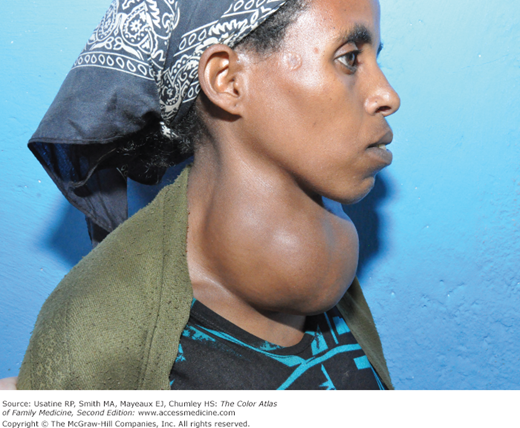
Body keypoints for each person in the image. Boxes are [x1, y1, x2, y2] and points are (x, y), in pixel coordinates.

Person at [5, 0, 400, 390]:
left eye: (374, 59)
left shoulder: (324, 263)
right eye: (349, 59)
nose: (387, 95)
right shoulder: (103, 329)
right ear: (227, 80)